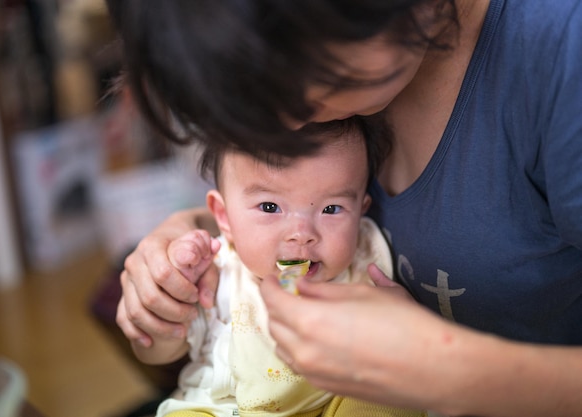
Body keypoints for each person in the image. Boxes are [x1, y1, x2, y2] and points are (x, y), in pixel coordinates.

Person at [105, 0, 582, 416]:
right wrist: (189, 230)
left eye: (286, 80)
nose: (283, 126)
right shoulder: (345, 83)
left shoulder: (559, 49)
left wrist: (440, 368)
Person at [148, 118, 424, 417]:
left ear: (360, 212)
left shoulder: (363, 264)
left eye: (331, 209)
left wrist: (403, 323)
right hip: (228, 408)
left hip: (335, 401)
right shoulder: (217, 271)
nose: (302, 233)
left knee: (392, 396)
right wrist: (174, 300)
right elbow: (156, 351)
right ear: (224, 217)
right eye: (270, 207)